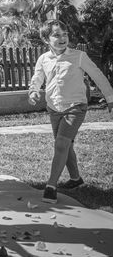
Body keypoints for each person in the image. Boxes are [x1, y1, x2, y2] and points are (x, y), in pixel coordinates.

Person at [28, 19, 113, 204]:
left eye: (64, 34)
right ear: (46, 39)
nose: (62, 38)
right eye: (56, 35)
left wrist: (110, 98)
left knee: (61, 144)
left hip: (76, 106)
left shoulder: (78, 56)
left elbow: (97, 75)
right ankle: (76, 180)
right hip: (54, 108)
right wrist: (33, 91)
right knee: (66, 146)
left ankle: (51, 186)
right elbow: (37, 77)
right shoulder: (43, 59)